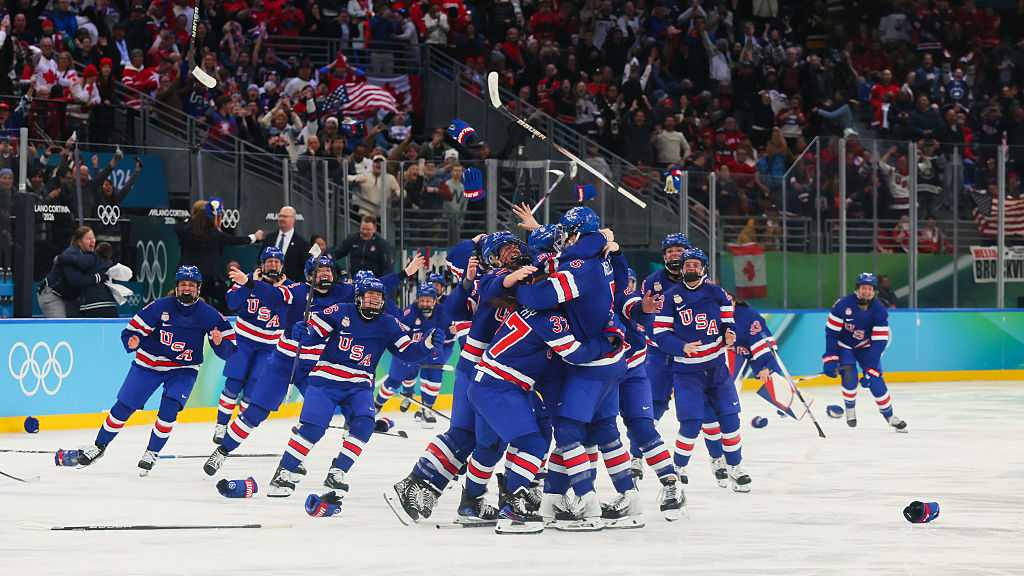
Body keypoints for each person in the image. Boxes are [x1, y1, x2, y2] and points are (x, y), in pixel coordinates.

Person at [268, 277, 437, 516]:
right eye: (369, 296)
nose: (374, 301)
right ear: (358, 297)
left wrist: (427, 345)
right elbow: (312, 335)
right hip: (325, 380)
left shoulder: (389, 323)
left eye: (378, 297)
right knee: (313, 429)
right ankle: (284, 471)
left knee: (364, 425)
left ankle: (338, 472)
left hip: (358, 385)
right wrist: (301, 331)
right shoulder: (340, 310)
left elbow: (408, 353)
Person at [55, 266, 236, 475]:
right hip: (149, 364)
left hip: (183, 369)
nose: (187, 289)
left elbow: (228, 350)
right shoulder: (159, 307)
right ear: (176, 287)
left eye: (191, 285)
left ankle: (152, 452)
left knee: (169, 411)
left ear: (198, 289)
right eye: (183, 284)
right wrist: (133, 341)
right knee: (123, 407)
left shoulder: (209, 314)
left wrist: (219, 343)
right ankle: (99, 446)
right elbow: (131, 331)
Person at [652, 247, 750, 495]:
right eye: (687, 265)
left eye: (696, 264)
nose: (691, 268)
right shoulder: (670, 297)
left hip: (717, 368)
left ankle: (735, 467)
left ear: (704, 268)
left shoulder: (718, 294)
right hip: (686, 373)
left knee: (730, 419)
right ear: (682, 269)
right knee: (691, 424)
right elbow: (660, 335)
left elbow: (729, 323)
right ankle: (678, 468)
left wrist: (730, 334)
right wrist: (682, 346)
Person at [212, 247, 293, 444]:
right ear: (262, 264)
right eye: (269, 261)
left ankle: (237, 427)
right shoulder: (245, 278)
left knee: (254, 387)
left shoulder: (290, 286)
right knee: (233, 383)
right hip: (243, 341)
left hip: (269, 346)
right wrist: (249, 284)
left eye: (277, 261)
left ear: (282, 265)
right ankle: (221, 425)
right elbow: (231, 302)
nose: (273, 264)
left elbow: (287, 302)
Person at [823, 273, 907, 432]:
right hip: (845, 346)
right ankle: (850, 409)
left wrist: (871, 367)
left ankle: (890, 417)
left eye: (869, 289)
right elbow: (831, 333)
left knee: (876, 381)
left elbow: (880, 341)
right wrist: (830, 358)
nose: (866, 291)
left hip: (867, 347)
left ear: (874, 291)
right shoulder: (842, 305)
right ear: (857, 289)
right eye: (863, 288)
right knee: (849, 376)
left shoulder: (880, 310)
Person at [373, 283, 449, 427]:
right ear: (417, 300)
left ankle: (427, 410)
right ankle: (377, 405)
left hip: (431, 351)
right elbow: (398, 335)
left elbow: (449, 333)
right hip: (410, 350)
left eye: (428, 300)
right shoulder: (409, 314)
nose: (425, 304)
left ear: (435, 301)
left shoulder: (443, 312)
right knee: (395, 380)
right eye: (422, 300)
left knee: (434, 380)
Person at [175, 198, 264, 307]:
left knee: (186, 304)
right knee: (227, 300)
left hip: (186, 276)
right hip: (208, 278)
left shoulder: (183, 230)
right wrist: (254, 236)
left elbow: (181, 227)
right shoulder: (214, 234)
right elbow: (234, 240)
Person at [39, 226, 106, 318]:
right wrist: (98, 277)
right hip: (52, 295)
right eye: (88, 239)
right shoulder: (70, 253)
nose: (93, 241)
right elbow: (76, 281)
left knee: (76, 326)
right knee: (59, 328)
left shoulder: (89, 255)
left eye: (93, 238)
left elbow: (92, 261)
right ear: (79, 241)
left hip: (69, 297)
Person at [262, 206, 310, 282]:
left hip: (291, 286)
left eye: (285, 216)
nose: (281, 219)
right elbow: (260, 260)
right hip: (268, 284)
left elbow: (305, 269)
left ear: (293, 219)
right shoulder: (269, 238)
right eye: (280, 216)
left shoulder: (302, 244)